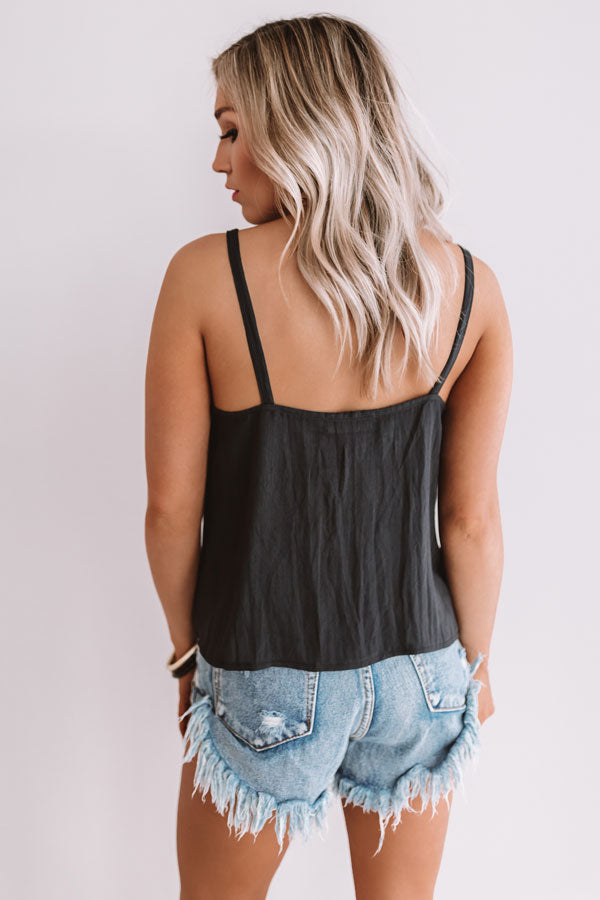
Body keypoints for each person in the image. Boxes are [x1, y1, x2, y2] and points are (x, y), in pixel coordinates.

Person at [144, 14, 512, 900]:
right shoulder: (469, 286)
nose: (219, 162)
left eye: (232, 131)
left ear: (295, 126)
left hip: (264, 661)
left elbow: (170, 514)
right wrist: (475, 666)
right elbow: (470, 519)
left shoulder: (205, 278)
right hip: (423, 670)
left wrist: (187, 658)